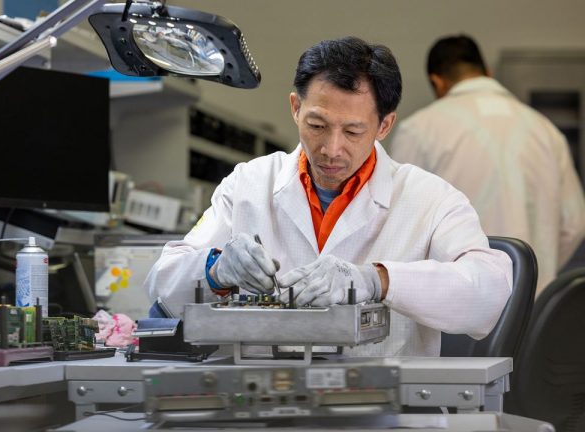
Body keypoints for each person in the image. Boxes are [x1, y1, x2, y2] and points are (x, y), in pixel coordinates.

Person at [144, 36, 512, 357]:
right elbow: (163, 285)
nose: (331, 150)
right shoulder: (249, 183)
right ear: (295, 108)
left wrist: (377, 280)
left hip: (386, 408)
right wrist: (216, 269)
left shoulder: (431, 199)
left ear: (384, 125)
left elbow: (488, 294)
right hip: (262, 405)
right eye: (317, 126)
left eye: (353, 131)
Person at [389, 35, 585, 296]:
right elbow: (575, 223)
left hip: (457, 307)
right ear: (488, 73)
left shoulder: (420, 130)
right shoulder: (546, 131)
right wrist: (538, 270)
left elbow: (400, 224)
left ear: (437, 82)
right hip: (533, 304)